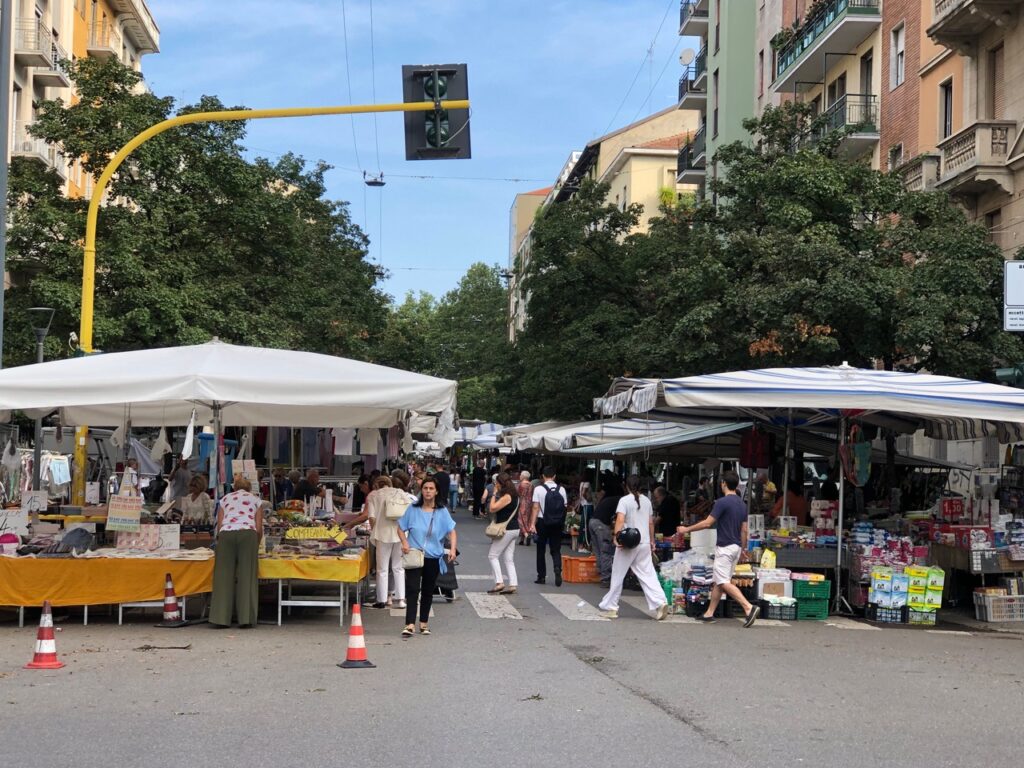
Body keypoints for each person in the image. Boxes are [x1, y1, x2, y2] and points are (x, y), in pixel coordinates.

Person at [678, 470, 759, 627]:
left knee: (722, 582)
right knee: (719, 581)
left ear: (723, 484)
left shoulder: (721, 502)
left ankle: (748, 607)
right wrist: (743, 549)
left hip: (725, 547)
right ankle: (709, 613)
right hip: (735, 547)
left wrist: (686, 529)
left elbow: (707, 523)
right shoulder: (742, 504)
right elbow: (744, 530)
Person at [597, 475, 670, 621]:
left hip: (627, 543)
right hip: (643, 543)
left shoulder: (624, 501)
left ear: (627, 486)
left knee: (618, 575)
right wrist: (652, 541)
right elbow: (651, 523)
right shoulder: (647, 501)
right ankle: (660, 602)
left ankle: (611, 607)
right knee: (648, 575)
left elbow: (620, 520)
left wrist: (616, 537)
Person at [396, 477, 456, 638]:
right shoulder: (413, 509)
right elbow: (400, 528)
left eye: (431, 488)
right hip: (415, 554)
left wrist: (453, 549)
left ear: (436, 491)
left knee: (428, 591)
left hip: (433, 556)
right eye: (425, 488)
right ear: (421, 491)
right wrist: (404, 543)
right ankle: (409, 624)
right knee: (413, 589)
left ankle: (424, 623)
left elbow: (452, 530)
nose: (428, 491)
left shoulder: (442, 511)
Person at [210, 476, 265, 628]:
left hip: (226, 533)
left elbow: (219, 524)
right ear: (249, 489)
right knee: (246, 574)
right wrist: (257, 542)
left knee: (223, 575)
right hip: (248, 533)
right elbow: (259, 527)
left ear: (234, 488)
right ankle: (245, 618)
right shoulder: (256, 500)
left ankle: (220, 618)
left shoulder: (224, 499)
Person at [366, 472, 414, 609]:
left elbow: (371, 518)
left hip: (382, 534)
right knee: (398, 567)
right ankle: (400, 600)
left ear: (376, 485)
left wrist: (375, 529)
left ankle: (382, 600)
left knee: (382, 569)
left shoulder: (374, 495)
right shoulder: (400, 493)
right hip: (400, 533)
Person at [529, 466, 567, 586]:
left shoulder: (539, 489)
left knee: (541, 550)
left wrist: (532, 524)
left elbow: (535, 507)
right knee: (556, 549)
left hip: (542, 522)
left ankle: (541, 576)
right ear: (554, 476)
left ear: (543, 476)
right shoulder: (561, 490)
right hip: (557, 523)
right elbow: (565, 507)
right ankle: (557, 568)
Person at [486, 471, 520, 595]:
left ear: (501, 484)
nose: (496, 485)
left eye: (497, 484)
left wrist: (494, 494)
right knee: (508, 558)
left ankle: (499, 582)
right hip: (514, 529)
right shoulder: (515, 495)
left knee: (493, 555)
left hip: (506, 529)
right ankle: (513, 584)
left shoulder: (507, 496)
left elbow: (492, 508)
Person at [589, 478, 622, 586]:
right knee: (606, 551)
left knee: (598, 550)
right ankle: (606, 578)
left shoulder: (609, 500)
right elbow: (619, 519)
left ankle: (601, 573)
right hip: (600, 525)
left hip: (593, 522)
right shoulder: (621, 501)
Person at [516, 471, 533, 545]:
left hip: (522, 503)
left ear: (523, 476)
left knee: (520, 520)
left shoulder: (520, 485)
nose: (519, 476)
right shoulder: (531, 485)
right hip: (530, 504)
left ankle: (526, 534)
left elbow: (517, 494)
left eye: (520, 475)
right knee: (527, 521)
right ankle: (522, 539)